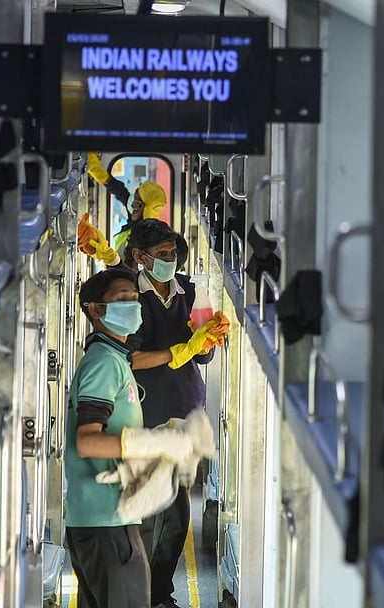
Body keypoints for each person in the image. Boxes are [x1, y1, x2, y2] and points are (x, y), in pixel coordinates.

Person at [65, 268, 203, 608]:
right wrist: (153, 444)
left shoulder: (115, 358)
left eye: (133, 297)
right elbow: (87, 441)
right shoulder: (103, 365)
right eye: (120, 298)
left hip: (107, 517)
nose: (132, 304)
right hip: (105, 519)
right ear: (95, 310)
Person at [126, 220, 229, 608]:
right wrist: (178, 351)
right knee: (148, 511)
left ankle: (160, 591)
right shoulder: (129, 294)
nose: (171, 261)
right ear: (140, 257)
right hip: (145, 410)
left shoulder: (189, 289)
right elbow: (131, 358)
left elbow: (203, 353)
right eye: (163, 255)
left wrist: (208, 338)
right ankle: (141, 592)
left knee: (177, 513)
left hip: (185, 407)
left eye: (174, 254)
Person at [82, 152, 167, 267]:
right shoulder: (137, 215)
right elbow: (120, 191)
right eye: (134, 199)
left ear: (145, 208)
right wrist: (95, 170)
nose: (132, 206)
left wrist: (108, 257)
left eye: (136, 203)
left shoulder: (145, 239)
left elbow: (130, 273)